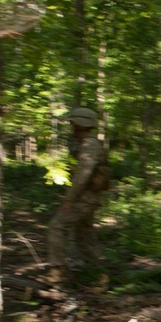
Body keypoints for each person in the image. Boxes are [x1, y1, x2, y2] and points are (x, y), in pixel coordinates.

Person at [45, 106, 109, 284]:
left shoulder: (89, 145)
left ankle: (56, 271)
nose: (71, 126)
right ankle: (98, 275)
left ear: (80, 124)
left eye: (73, 123)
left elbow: (83, 175)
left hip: (85, 198)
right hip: (88, 197)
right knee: (84, 234)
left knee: (57, 226)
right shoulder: (85, 144)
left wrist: (70, 199)